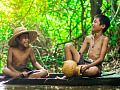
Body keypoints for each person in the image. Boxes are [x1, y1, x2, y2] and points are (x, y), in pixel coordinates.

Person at [57, 14, 110, 79]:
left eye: (95, 22)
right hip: (84, 63)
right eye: (93, 21)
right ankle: (69, 72)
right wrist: (76, 64)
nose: (92, 24)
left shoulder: (104, 39)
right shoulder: (88, 38)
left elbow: (101, 59)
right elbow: (80, 54)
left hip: (94, 66)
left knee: (93, 71)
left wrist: (88, 66)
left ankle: (74, 71)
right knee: (68, 45)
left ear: (102, 26)